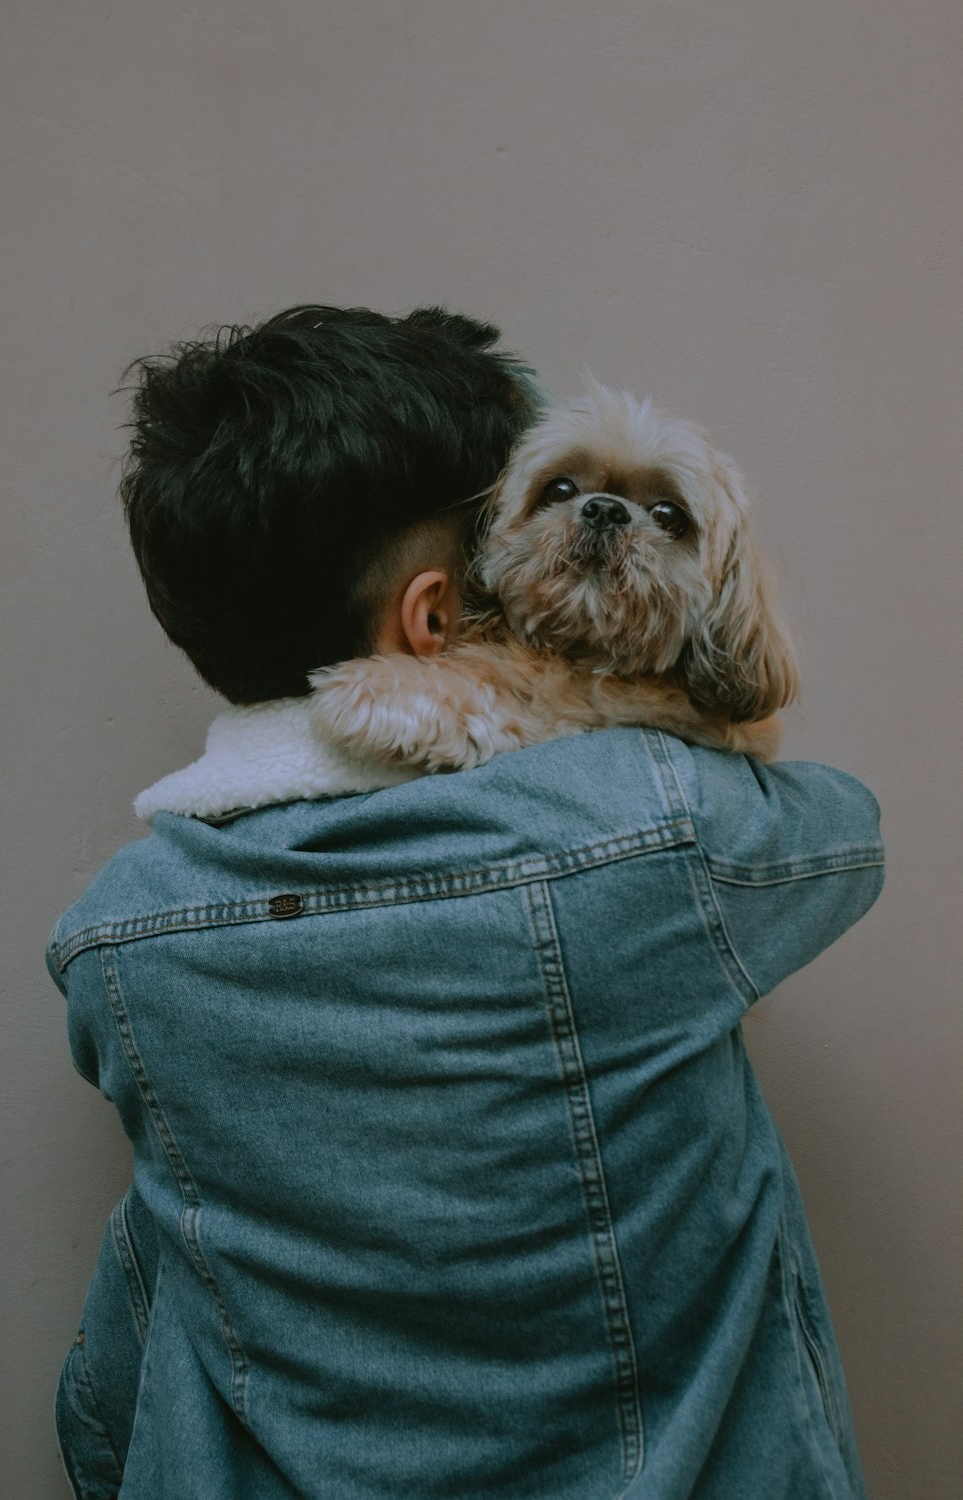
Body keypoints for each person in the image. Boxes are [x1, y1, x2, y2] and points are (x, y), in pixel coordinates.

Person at [48, 304, 884, 1500]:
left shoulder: (114, 944)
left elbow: (129, 1337)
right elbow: (843, 829)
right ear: (439, 615)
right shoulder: (662, 835)